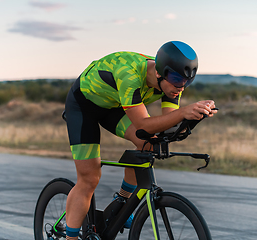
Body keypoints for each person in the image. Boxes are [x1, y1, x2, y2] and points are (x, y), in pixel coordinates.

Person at [64, 41, 217, 239]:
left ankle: (121, 202)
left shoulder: (172, 83)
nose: (181, 86)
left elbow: (166, 125)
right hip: (83, 107)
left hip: (115, 105)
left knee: (147, 144)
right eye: (177, 79)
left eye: (187, 81)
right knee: (89, 179)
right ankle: (71, 237)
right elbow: (144, 125)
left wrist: (191, 119)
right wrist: (183, 112)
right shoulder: (130, 75)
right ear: (160, 72)